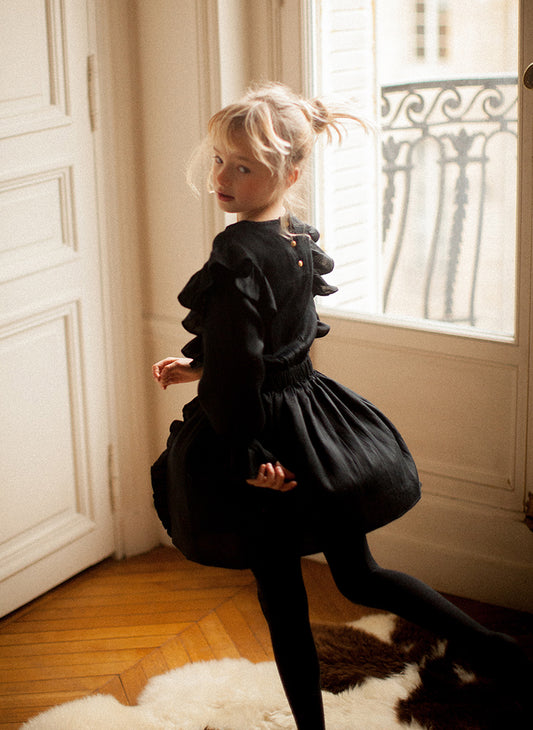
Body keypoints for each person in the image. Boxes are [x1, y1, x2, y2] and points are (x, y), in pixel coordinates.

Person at [151, 83, 528, 730]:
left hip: (264, 441)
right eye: (219, 160)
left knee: (282, 599)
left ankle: (311, 728)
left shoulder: (234, 251)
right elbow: (272, 341)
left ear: (289, 174)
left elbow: (245, 367)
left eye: (244, 167)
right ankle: (495, 650)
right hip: (314, 427)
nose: (223, 178)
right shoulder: (294, 237)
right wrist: (200, 365)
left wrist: (247, 455)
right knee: (359, 575)